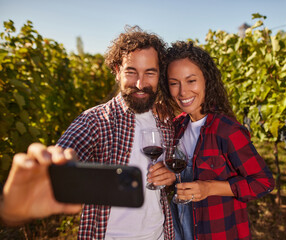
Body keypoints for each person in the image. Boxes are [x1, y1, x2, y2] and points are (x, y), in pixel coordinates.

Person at [2, 26, 176, 240]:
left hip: (161, 234)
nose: (140, 84)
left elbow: (171, 173)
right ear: (116, 71)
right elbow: (62, 163)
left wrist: (170, 175)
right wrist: (13, 208)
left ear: (159, 75)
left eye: (150, 72)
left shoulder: (166, 120)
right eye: (131, 72)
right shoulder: (94, 121)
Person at [160, 41, 275, 240]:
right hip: (179, 229)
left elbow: (264, 182)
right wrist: (170, 177)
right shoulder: (177, 127)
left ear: (207, 80)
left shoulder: (226, 131)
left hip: (217, 232)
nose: (183, 92)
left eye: (191, 81)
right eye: (174, 83)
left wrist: (210, 188)